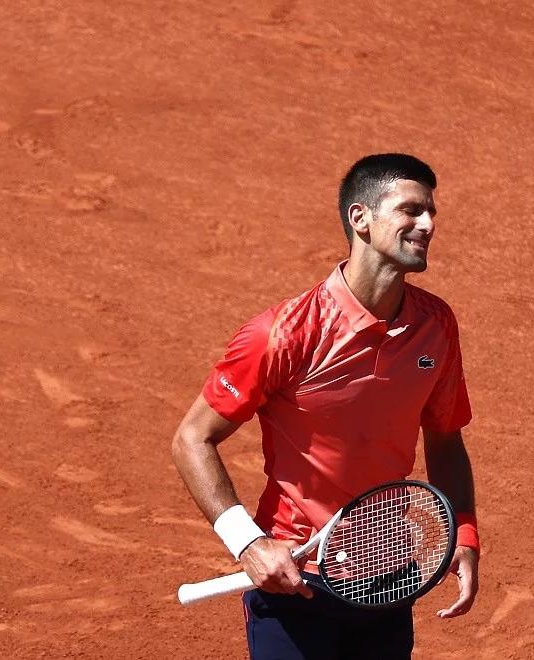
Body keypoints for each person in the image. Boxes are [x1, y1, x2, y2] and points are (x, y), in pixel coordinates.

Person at [172, 153, 479, 659]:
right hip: (296, 582)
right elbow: (191, 439)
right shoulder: (282, 334)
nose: (428, 224)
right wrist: (247, 544)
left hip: (387, 577)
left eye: (431, 213)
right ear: (361, 219)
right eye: (411, 210)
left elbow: (445, 435)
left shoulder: (436, 325)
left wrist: (464, 531)